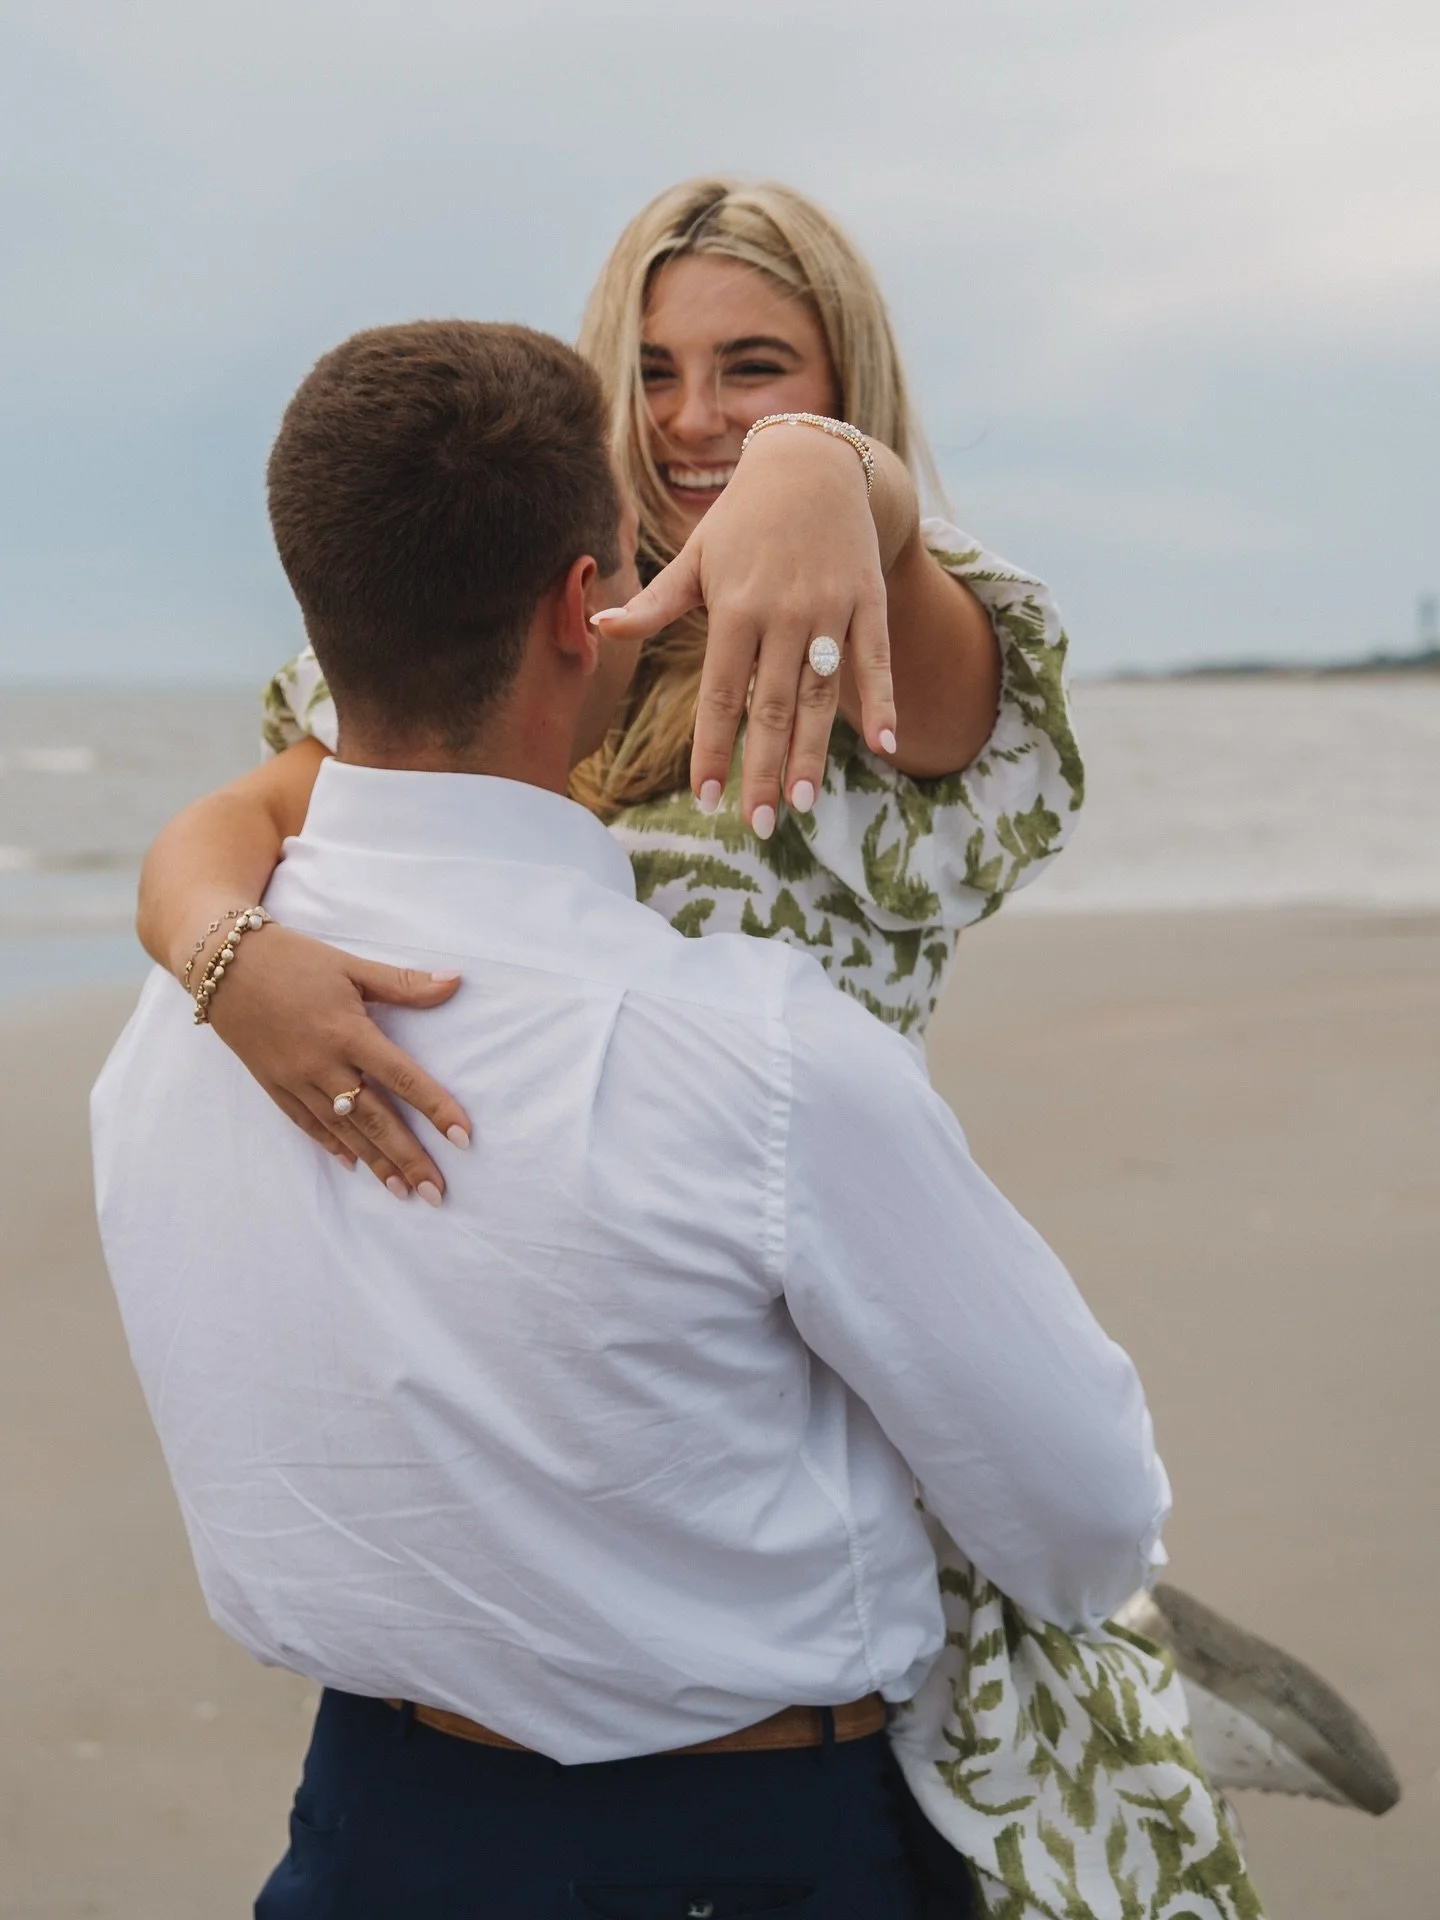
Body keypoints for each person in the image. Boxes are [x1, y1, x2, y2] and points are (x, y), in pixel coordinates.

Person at [131, 181, 1390, 1907]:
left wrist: (838, 479)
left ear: (846, 374)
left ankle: (1120, 1653)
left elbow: (929, 649)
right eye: (652, 368)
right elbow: (264, 803)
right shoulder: (514, 619)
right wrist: (221, 951)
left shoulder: (884, 625)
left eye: (757, 365)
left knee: (1008, 1658)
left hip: (839, 1314)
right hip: (558, 1363)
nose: (698, 416)